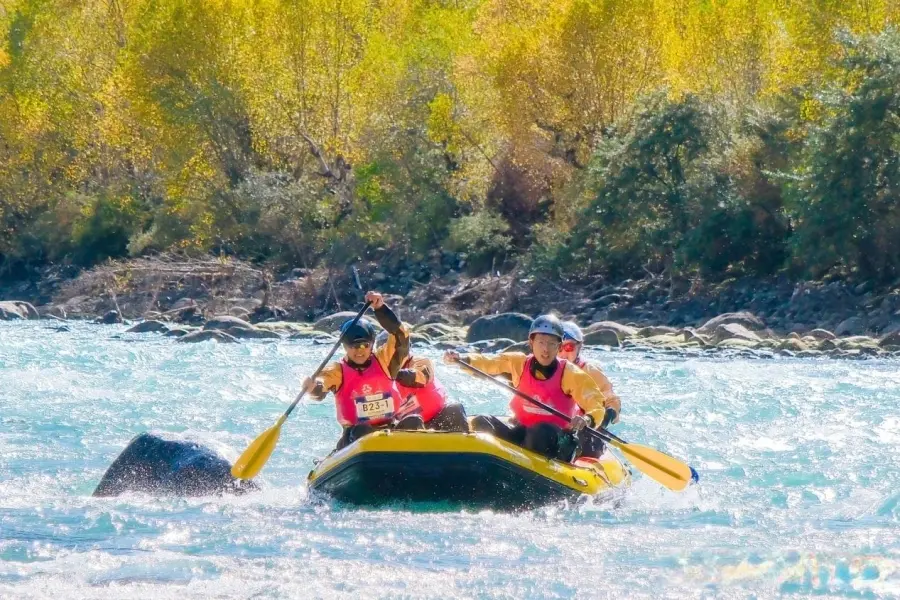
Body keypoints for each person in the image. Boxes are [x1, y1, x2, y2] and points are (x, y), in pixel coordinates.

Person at [443, 314, 613, 461]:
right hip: (523, 431)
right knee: (482, 421)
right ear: (531, 343)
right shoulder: (518, 363)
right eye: (541, 342)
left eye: (551, 344)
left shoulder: (570, 373)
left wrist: (588, 419)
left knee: (539, 432)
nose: (545, 349)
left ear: (559, 346)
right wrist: (463, 360)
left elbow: (596, 403)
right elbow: (489, 363)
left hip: (557, 440)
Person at [303, 291, 418, 450]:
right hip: (355, 436)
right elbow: (321, 388)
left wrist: (381, 309)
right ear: (344, 347)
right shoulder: (337, 371)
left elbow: (401, 336)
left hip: (390, 429)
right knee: (363, 430)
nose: (359, 350)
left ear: (372, 344)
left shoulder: (385, 361)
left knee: (414, 421)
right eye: (353, 346)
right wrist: (312, 387)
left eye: (364, 345)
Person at [375, 331, 470, 432]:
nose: (394, 353)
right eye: (389, 349)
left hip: (436, 421)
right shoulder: (374, 376)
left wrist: (396, 375)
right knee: (413, 421)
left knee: (456, 409)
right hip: (402, 427)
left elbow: (421, 376)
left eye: (398, 348)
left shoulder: (420, 361)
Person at [558, 320, 621, 459]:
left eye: (568, 347)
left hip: (586, 430)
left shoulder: (590, 371)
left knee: (586, 442)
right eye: (558, 347)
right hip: (555, 427)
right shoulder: (544, 368)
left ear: (579, 346)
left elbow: (612, 400)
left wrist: (604, 417)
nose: (562, 353)